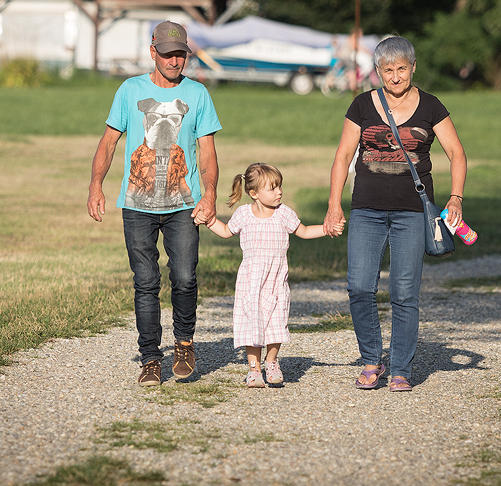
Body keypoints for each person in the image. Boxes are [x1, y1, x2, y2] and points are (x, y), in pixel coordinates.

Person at [324, 36, 467, 392]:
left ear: (413, 67)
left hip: (412, 213)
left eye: (402, 68)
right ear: (377, 72)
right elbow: (342, 157)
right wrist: (333, 205)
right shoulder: (361, 105)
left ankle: (401, 367)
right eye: (388, 70)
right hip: (366, 210)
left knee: (404, 292)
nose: (396, 76)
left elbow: (457, 154)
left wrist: (456, 198)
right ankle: (372, 360)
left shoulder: (432, 106)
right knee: (359, 286)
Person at [87, 21, 222, 387]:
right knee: (145, 281)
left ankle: (183, 343)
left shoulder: (198, 95)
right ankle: (150, 358)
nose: (175, 60)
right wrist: (95, 185)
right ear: (153, 52)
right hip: (137, 204)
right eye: (167, 54)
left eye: (180, 54)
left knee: (184, 277)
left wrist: (209, 194)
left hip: (183, 203)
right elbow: (109, 141)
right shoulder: (130, 90)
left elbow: (207, 154)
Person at [200, 163, 343, 387]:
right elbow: (226, 232)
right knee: (252, 324)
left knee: (276, 323)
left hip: (276, 280)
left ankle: (272, 362)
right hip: (251, 281)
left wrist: (326, 229)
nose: (279, 192)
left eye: (280, 187)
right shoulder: (243, 214)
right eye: (273, 188)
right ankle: (254, 369)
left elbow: (303, 231)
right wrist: (207, 221)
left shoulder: (284, 213)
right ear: (254, 193)